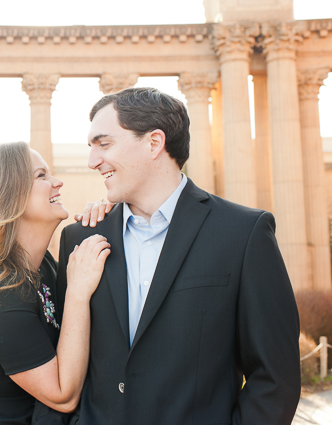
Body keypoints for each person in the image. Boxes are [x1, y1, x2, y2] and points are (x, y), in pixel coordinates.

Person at [56, 87, 300, 425]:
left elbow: (275, 380)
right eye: (91, 147)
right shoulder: (80, 237)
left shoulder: (243, 233)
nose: (92, 161)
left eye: (104, 143)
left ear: (154, 143)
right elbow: (60, 365)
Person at [0, 142, 111, 424]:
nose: (58, 182)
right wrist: (78, 292)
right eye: (41, 176)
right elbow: (62, 396)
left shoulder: (41, 267)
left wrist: (106, 221)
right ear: (8, 197)